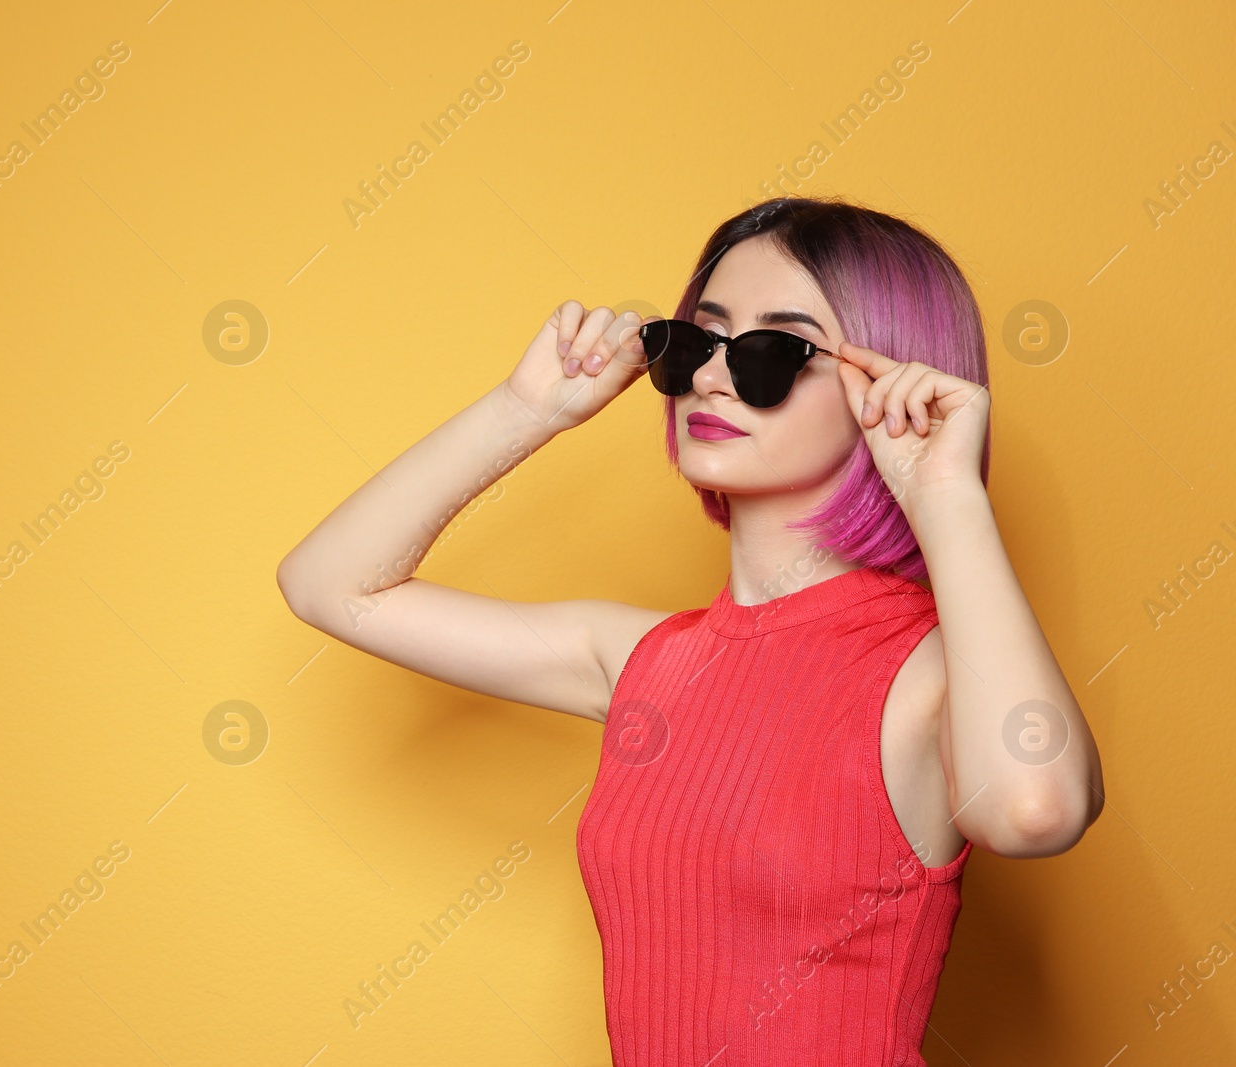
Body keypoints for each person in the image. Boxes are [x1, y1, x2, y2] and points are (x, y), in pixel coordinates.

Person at [276, 195, 1104, 1063]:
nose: (711, 377)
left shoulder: (930, 666)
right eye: (698, 341)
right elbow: (331, 585)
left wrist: (946, 499)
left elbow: (1035, 810)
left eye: (775, 351)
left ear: (891, 383)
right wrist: (527, 412)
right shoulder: (642, 661)